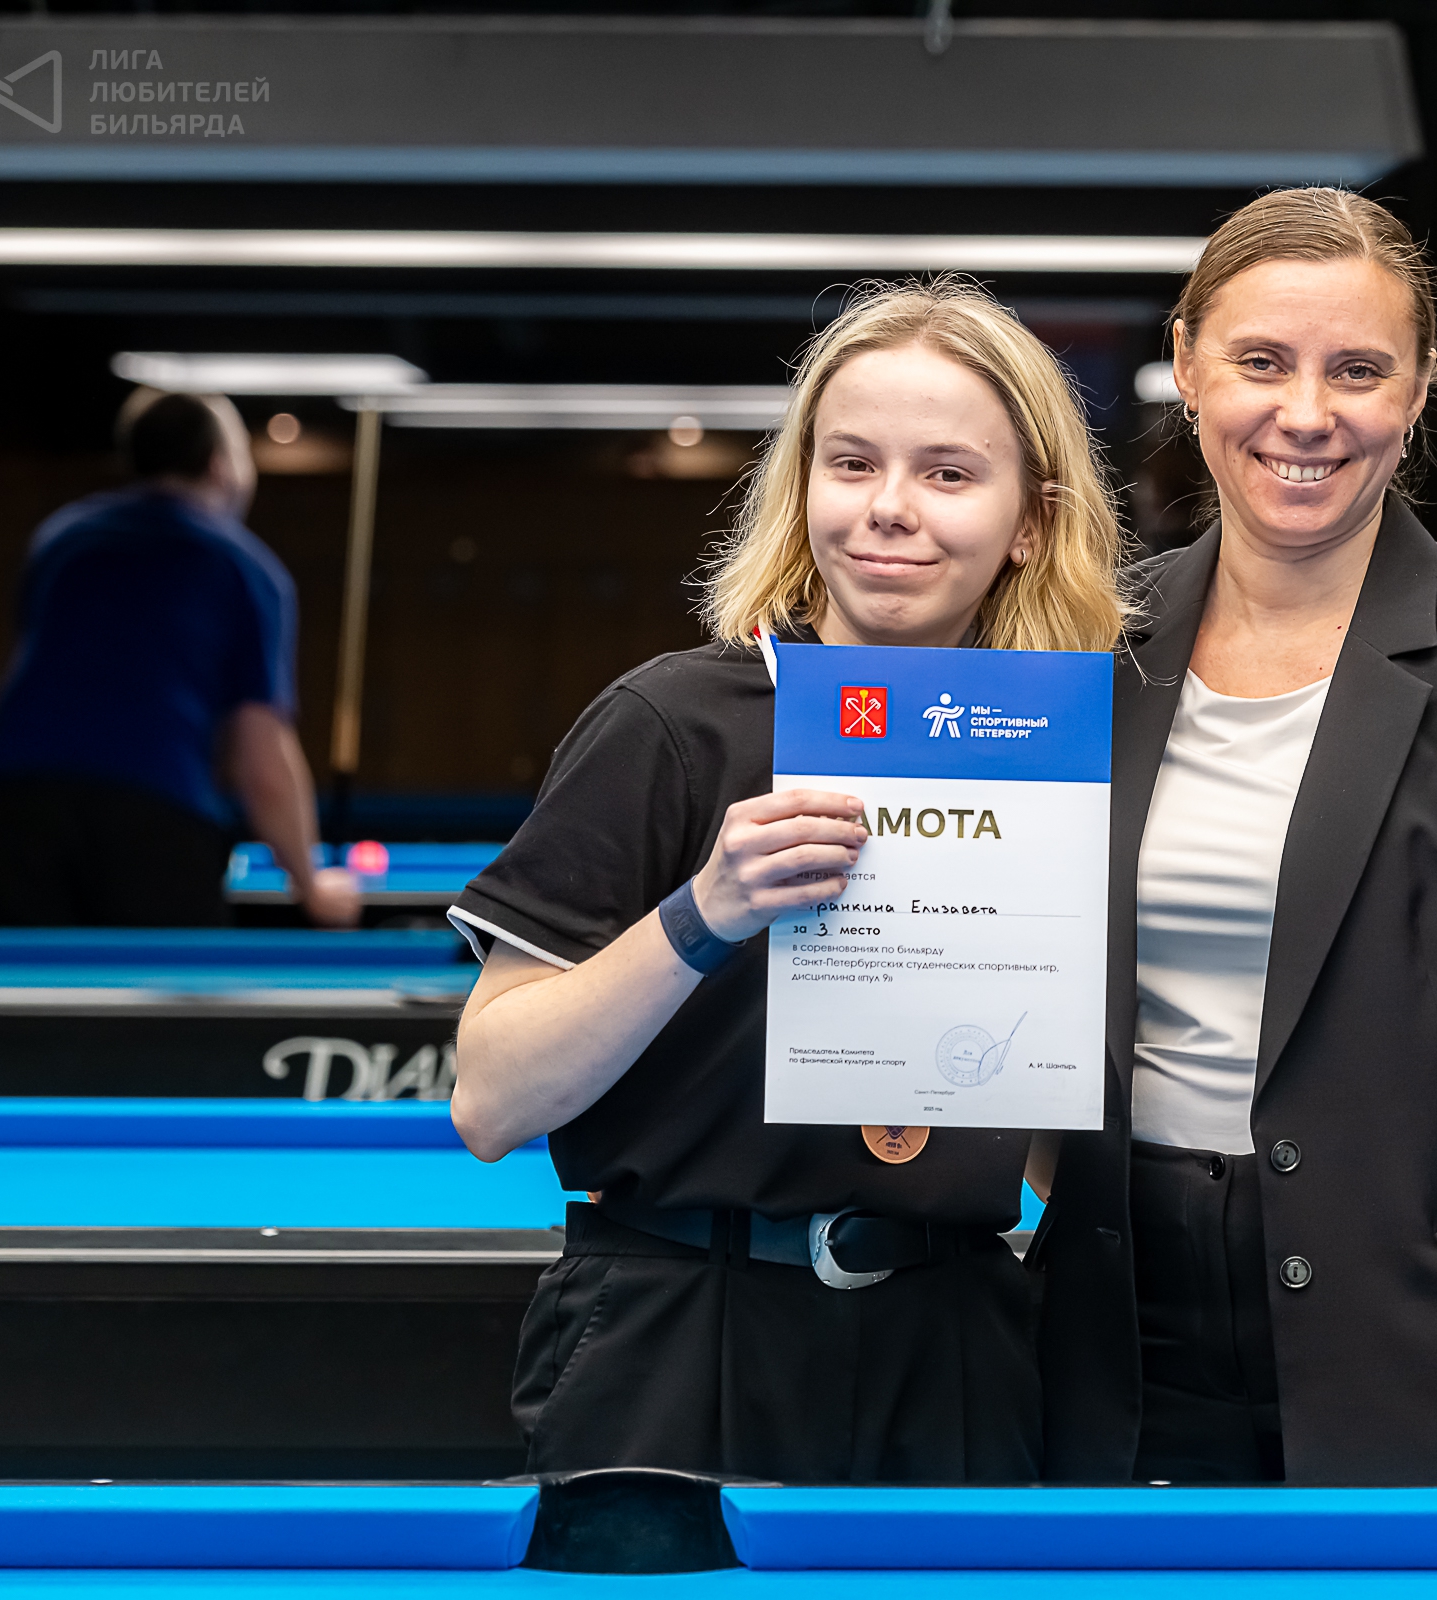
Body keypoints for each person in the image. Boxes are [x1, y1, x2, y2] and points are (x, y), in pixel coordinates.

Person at [1031, 189, 1437, 1486]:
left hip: (1415, 1345)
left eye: (1358, 369)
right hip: (1109, 1341)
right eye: (1262, 360)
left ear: (1420, 388)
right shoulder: (1085, 643)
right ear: (1187, 365)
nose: (1306, 412)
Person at [444, 281, 1127, 1482]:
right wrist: (702, 915)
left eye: (949, 473)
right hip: (675, 1329)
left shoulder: (1065, 756)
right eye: (851, 463)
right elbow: (491, 1102)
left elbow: (1046, 1141)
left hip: (959, 1339)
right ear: (802, 486)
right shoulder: (668, 723)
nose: (889, 507)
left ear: (1030, 520)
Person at [0, 390, 359, 928]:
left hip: (18, 802)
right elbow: (261, 758)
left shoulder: (61, 541)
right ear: (221, 465)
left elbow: (28, 682)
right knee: (172, 981)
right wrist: (311, 885)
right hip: (152, 815)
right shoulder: (243, 568)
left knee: (20, 978)